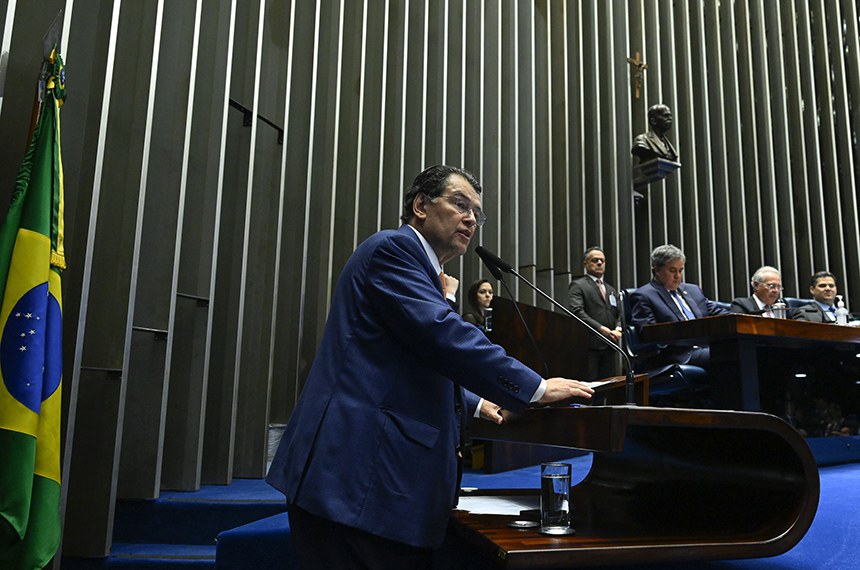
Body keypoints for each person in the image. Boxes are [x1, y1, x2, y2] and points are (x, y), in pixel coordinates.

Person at [266, 165, 593, 568]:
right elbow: (442, 334)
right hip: (355, 478)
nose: (471, 218)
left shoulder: (422, 272)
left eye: (477, 212)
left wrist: (477, 403)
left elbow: (413, 355)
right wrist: (536, 387)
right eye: (460, 204)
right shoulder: (392, 249)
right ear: (421, 205)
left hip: (374, 488)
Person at [629, 244, 728, 369]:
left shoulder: (693, 290)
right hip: (678, 355)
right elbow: (649, 334)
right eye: (672, 270)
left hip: (705, 347)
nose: (678, 276)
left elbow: (718, 313)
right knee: (727, 356)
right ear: (657, 270)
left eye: (680, 270)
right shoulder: (644, 295)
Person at [568, 247, 622, 380]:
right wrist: (601, 329)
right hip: (589, 346)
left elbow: (620, 313)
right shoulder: (578, 285)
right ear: (585, 264)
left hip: (610, 345)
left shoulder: (611, 289)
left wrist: (618, 329)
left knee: (610, 385)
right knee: (591, 388)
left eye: (602, 261)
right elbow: (577, 312)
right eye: (595, 260)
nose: (599, 263)